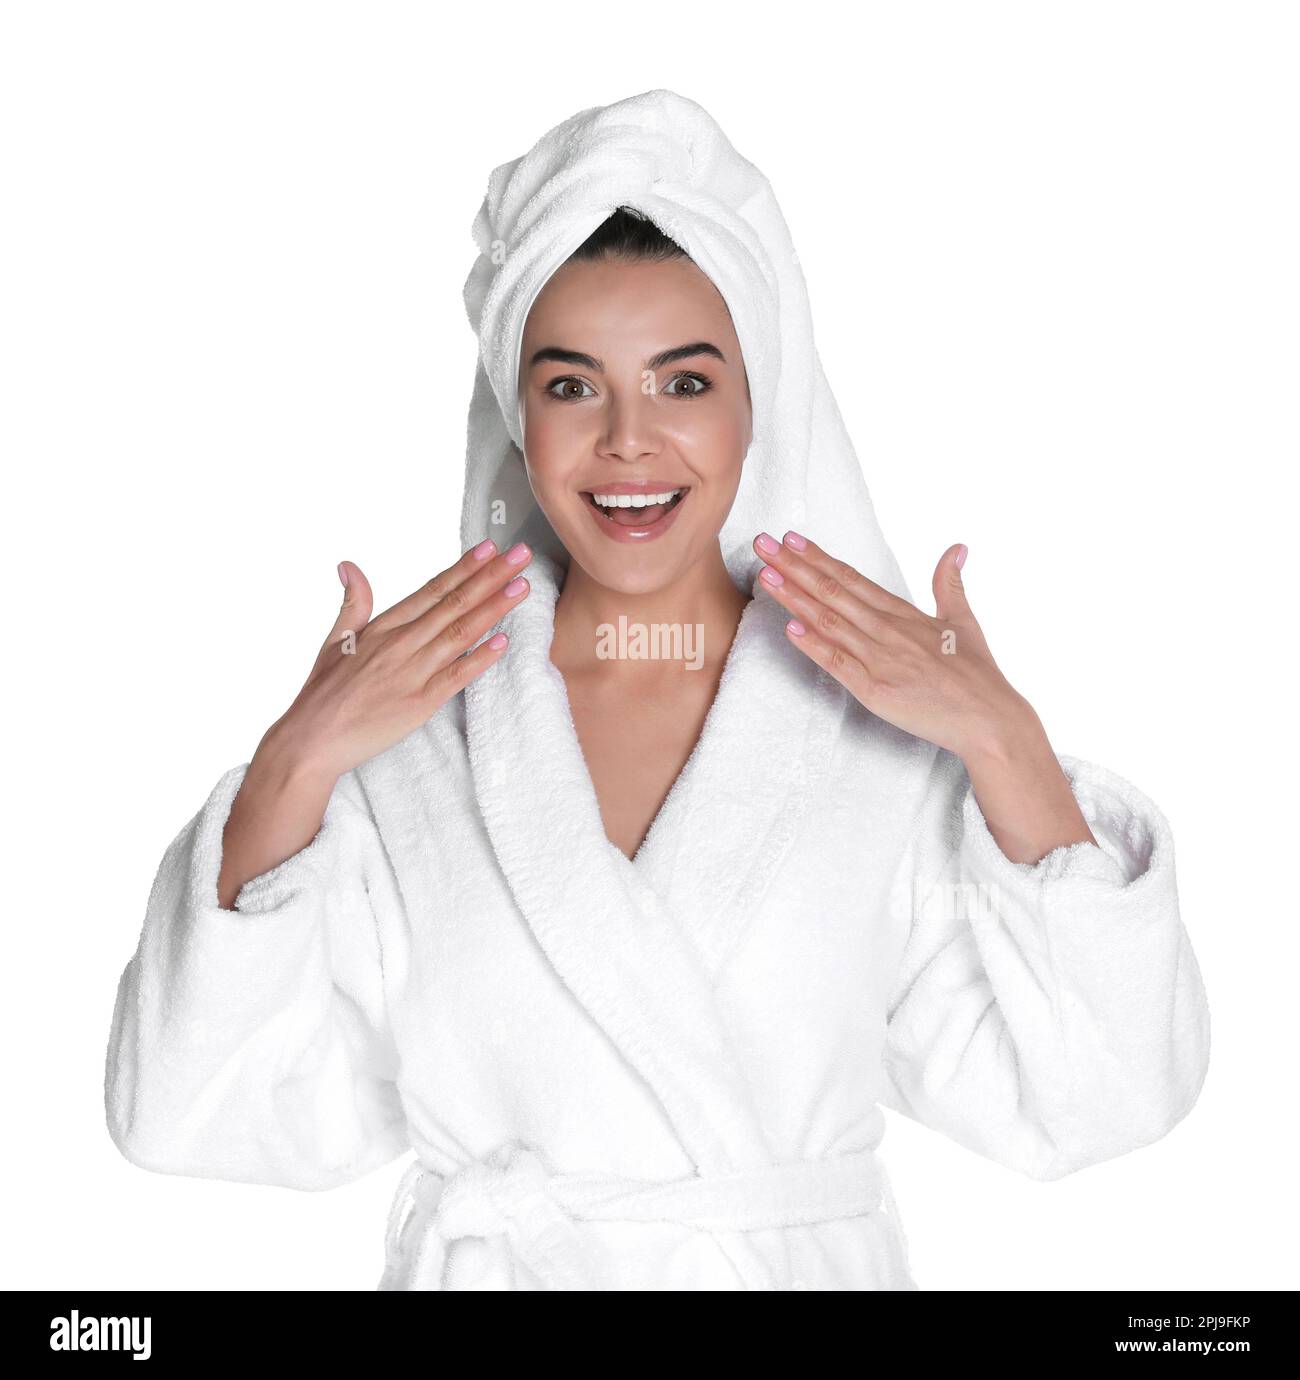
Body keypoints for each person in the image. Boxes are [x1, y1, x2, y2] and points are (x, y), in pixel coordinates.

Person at [103, 89, 1211, 1292]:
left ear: (758, 407)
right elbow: (184, 1115)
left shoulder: (876, 741)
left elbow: (1106, 1098)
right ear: (518, 419)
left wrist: (1006, 747)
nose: (628, 440)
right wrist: (296, 764)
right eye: (572, 385)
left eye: (684, 384)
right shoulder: (411, 749)